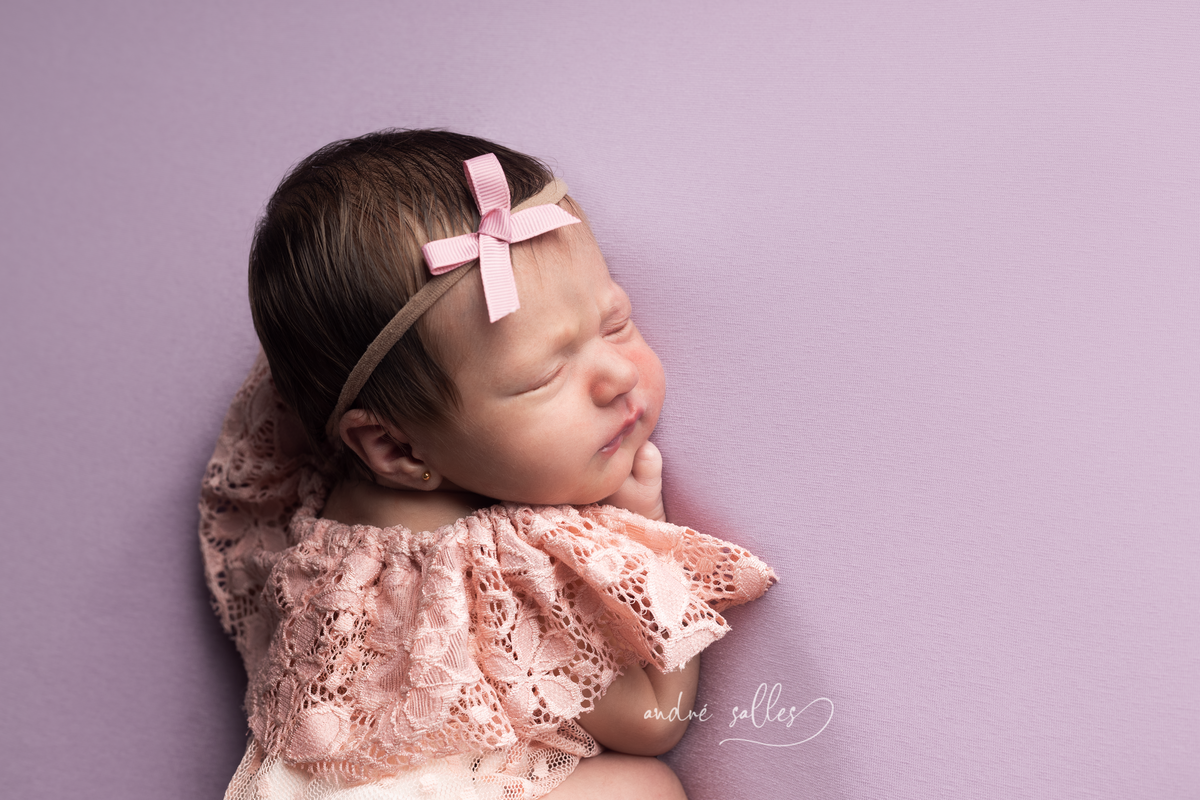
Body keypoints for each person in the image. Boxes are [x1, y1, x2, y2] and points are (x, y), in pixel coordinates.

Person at [199, 129, 776, 800]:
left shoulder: (323, 526)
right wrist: (644, 535)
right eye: (544, 376)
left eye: (614, 321)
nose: (619, 376)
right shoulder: (490, 571)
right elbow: (654, 721)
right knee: (643, 787)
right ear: (397, 448)